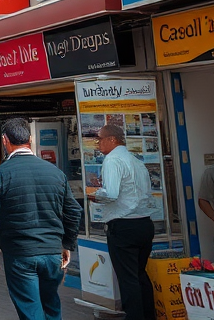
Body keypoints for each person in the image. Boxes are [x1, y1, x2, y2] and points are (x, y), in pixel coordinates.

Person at [0, 118, 81, 320]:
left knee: (30, 310)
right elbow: (74, 211)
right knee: (51, 306)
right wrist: (66, 244)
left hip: (20, 254)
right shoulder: (55, 173)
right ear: (30, 139)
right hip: (51, 252)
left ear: (5, 141)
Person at [91, 124, 158, 320]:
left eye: (100, 138)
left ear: (112, 139)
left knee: (128, 279)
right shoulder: (135, 161)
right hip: (144, 223)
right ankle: (148, 316)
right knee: (139, 275)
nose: (97, 143)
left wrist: (94, 195)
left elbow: (110, 194)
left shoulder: (112, 159)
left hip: (124, 225)